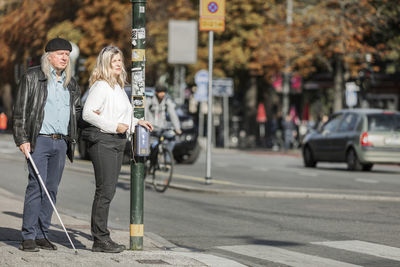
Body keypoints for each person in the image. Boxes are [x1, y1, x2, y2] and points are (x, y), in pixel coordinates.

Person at [13, 37, 82, 252]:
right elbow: (20, 110)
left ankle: (43, 234)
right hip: (39, 140)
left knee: (51, 189)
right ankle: (29, 236)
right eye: (60, 53)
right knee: (36, 186)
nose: (64, 58)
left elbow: (76, 111)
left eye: (67, 55)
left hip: (60, 142)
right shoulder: (33, 77)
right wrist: (22, 139)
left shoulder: (71, 83)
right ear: (49, 56)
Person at [82, 46, 152, 253]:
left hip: (117, 141)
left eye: (120, 60)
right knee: (105, 191)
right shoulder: (101, 86)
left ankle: (102, 237)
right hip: (103, 141)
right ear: (105, 64)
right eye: (114, 61)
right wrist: (114, 126)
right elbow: (88, 113)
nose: (119, 63)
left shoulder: (118, 88)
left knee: (109, 191)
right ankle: (100, 239)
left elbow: (124, 116)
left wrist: (138, 122)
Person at [145, 85, 182, 154]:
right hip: (151, 128)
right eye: (160, 92)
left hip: (162, 128)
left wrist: (177, 128)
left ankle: (167, 160)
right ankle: (148, 158)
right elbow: (144, 111)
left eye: (164, 92)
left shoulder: (166, 101)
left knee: (172, 138)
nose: (162, 94)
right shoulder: (149, 100)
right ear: (156, 92)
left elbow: (173, 114)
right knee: (148, 145)